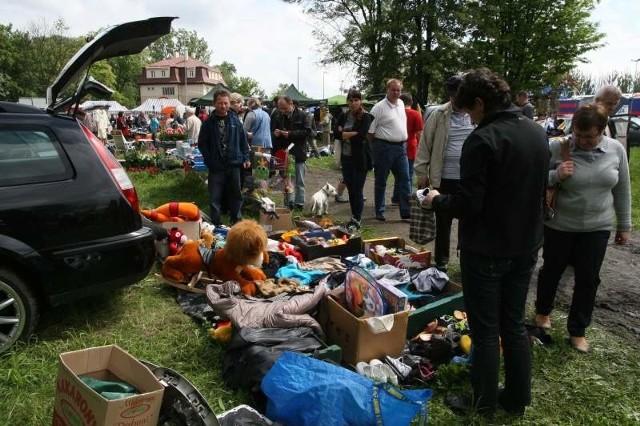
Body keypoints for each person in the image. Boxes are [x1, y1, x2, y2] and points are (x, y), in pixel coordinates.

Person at [423, 68, 549, 418]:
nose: (469, 119)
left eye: (469, 111)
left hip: (488, 249)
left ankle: (484, 403)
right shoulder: (537, 133)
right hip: (526, 245)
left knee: (486, 330)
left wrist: (435, 200)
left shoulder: (482, 140)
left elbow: (468, 204)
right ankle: (517, 397)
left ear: (481, 103)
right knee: (513, 324)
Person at [535, 103, 631, 353]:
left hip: (597, 227)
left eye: (589, 136)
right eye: (577, 134)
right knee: (551, 271)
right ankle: (543, 312)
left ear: (602, 131)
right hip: (560, 225)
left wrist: (624, 225)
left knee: (589, 278)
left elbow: (622, 189)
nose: (582, 140)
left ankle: (577, 330)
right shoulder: (558, 147)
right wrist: (557, 174)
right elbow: (533, 180)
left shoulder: (616, 150)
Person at [414, 75, 475, 272]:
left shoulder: (476, 112)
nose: (457, 100)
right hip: (444, 178)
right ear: (450, 95)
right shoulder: (438, 114)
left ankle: (468, 260)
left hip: (469, 177)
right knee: (443, 223)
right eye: (454, 96)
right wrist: (421, 172)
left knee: (470, 222)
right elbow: (425, 145)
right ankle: (442, 261)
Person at [197, 89, 251, 226]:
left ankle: (237, 220)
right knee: (215, 197)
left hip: (233, 165)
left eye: (226, 103)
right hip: (216, 166)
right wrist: (209, 159)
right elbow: (202, 143)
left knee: (236, 195)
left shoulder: (236, 121)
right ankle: (215, 223)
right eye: (220, 103)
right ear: (214, 103)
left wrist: (245, 158)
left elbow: (243, 141)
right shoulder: (208, 122)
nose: (223, 106)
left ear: (229, 103)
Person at [367, 78, 411, 222]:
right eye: (393, 90)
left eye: (398, 90)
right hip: (384, 147)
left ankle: (406, 212)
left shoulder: (401, 103)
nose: (396, 93)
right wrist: (375, 149)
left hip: (401, 147)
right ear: (387, 90)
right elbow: (370, 132)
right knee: (381, 180)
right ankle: (379, 211)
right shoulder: (378, 108)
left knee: (405, 180)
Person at [334, 89, 373, 231]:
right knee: (350, 188)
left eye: (356, 100)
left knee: (358, 189)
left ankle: (358, 218)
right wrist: (348, 133)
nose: (354, 103)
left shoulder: (366, 117)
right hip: (346, 158)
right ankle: (353, 216)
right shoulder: (343, 116)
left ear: (360, 101)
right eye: (351, 100)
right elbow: (336, 135)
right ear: (348, 101)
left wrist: (343, 132)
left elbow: (361, 135)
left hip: (360, 158)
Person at [271, 95, 312, 210]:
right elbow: (273, 130)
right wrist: (276, 133)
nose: (282, 111)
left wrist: (290, 133)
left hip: (298, 152)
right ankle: (288, 202)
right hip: (284, 152)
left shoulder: (303, 115)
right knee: (286, 179)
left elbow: (307, 132)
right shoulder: (278, 115)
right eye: (280, 108)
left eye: (284, 108)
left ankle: (299, 203)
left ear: (291, 104)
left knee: (299, 180)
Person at [391, 93, 423, 205]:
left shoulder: (396, 113)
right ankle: (406, 200)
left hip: (396, 145)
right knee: (408, 175)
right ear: (411, 102)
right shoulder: (416, 114)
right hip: (411, 146)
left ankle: (396, 198)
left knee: (399, 175)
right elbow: (419, 133)